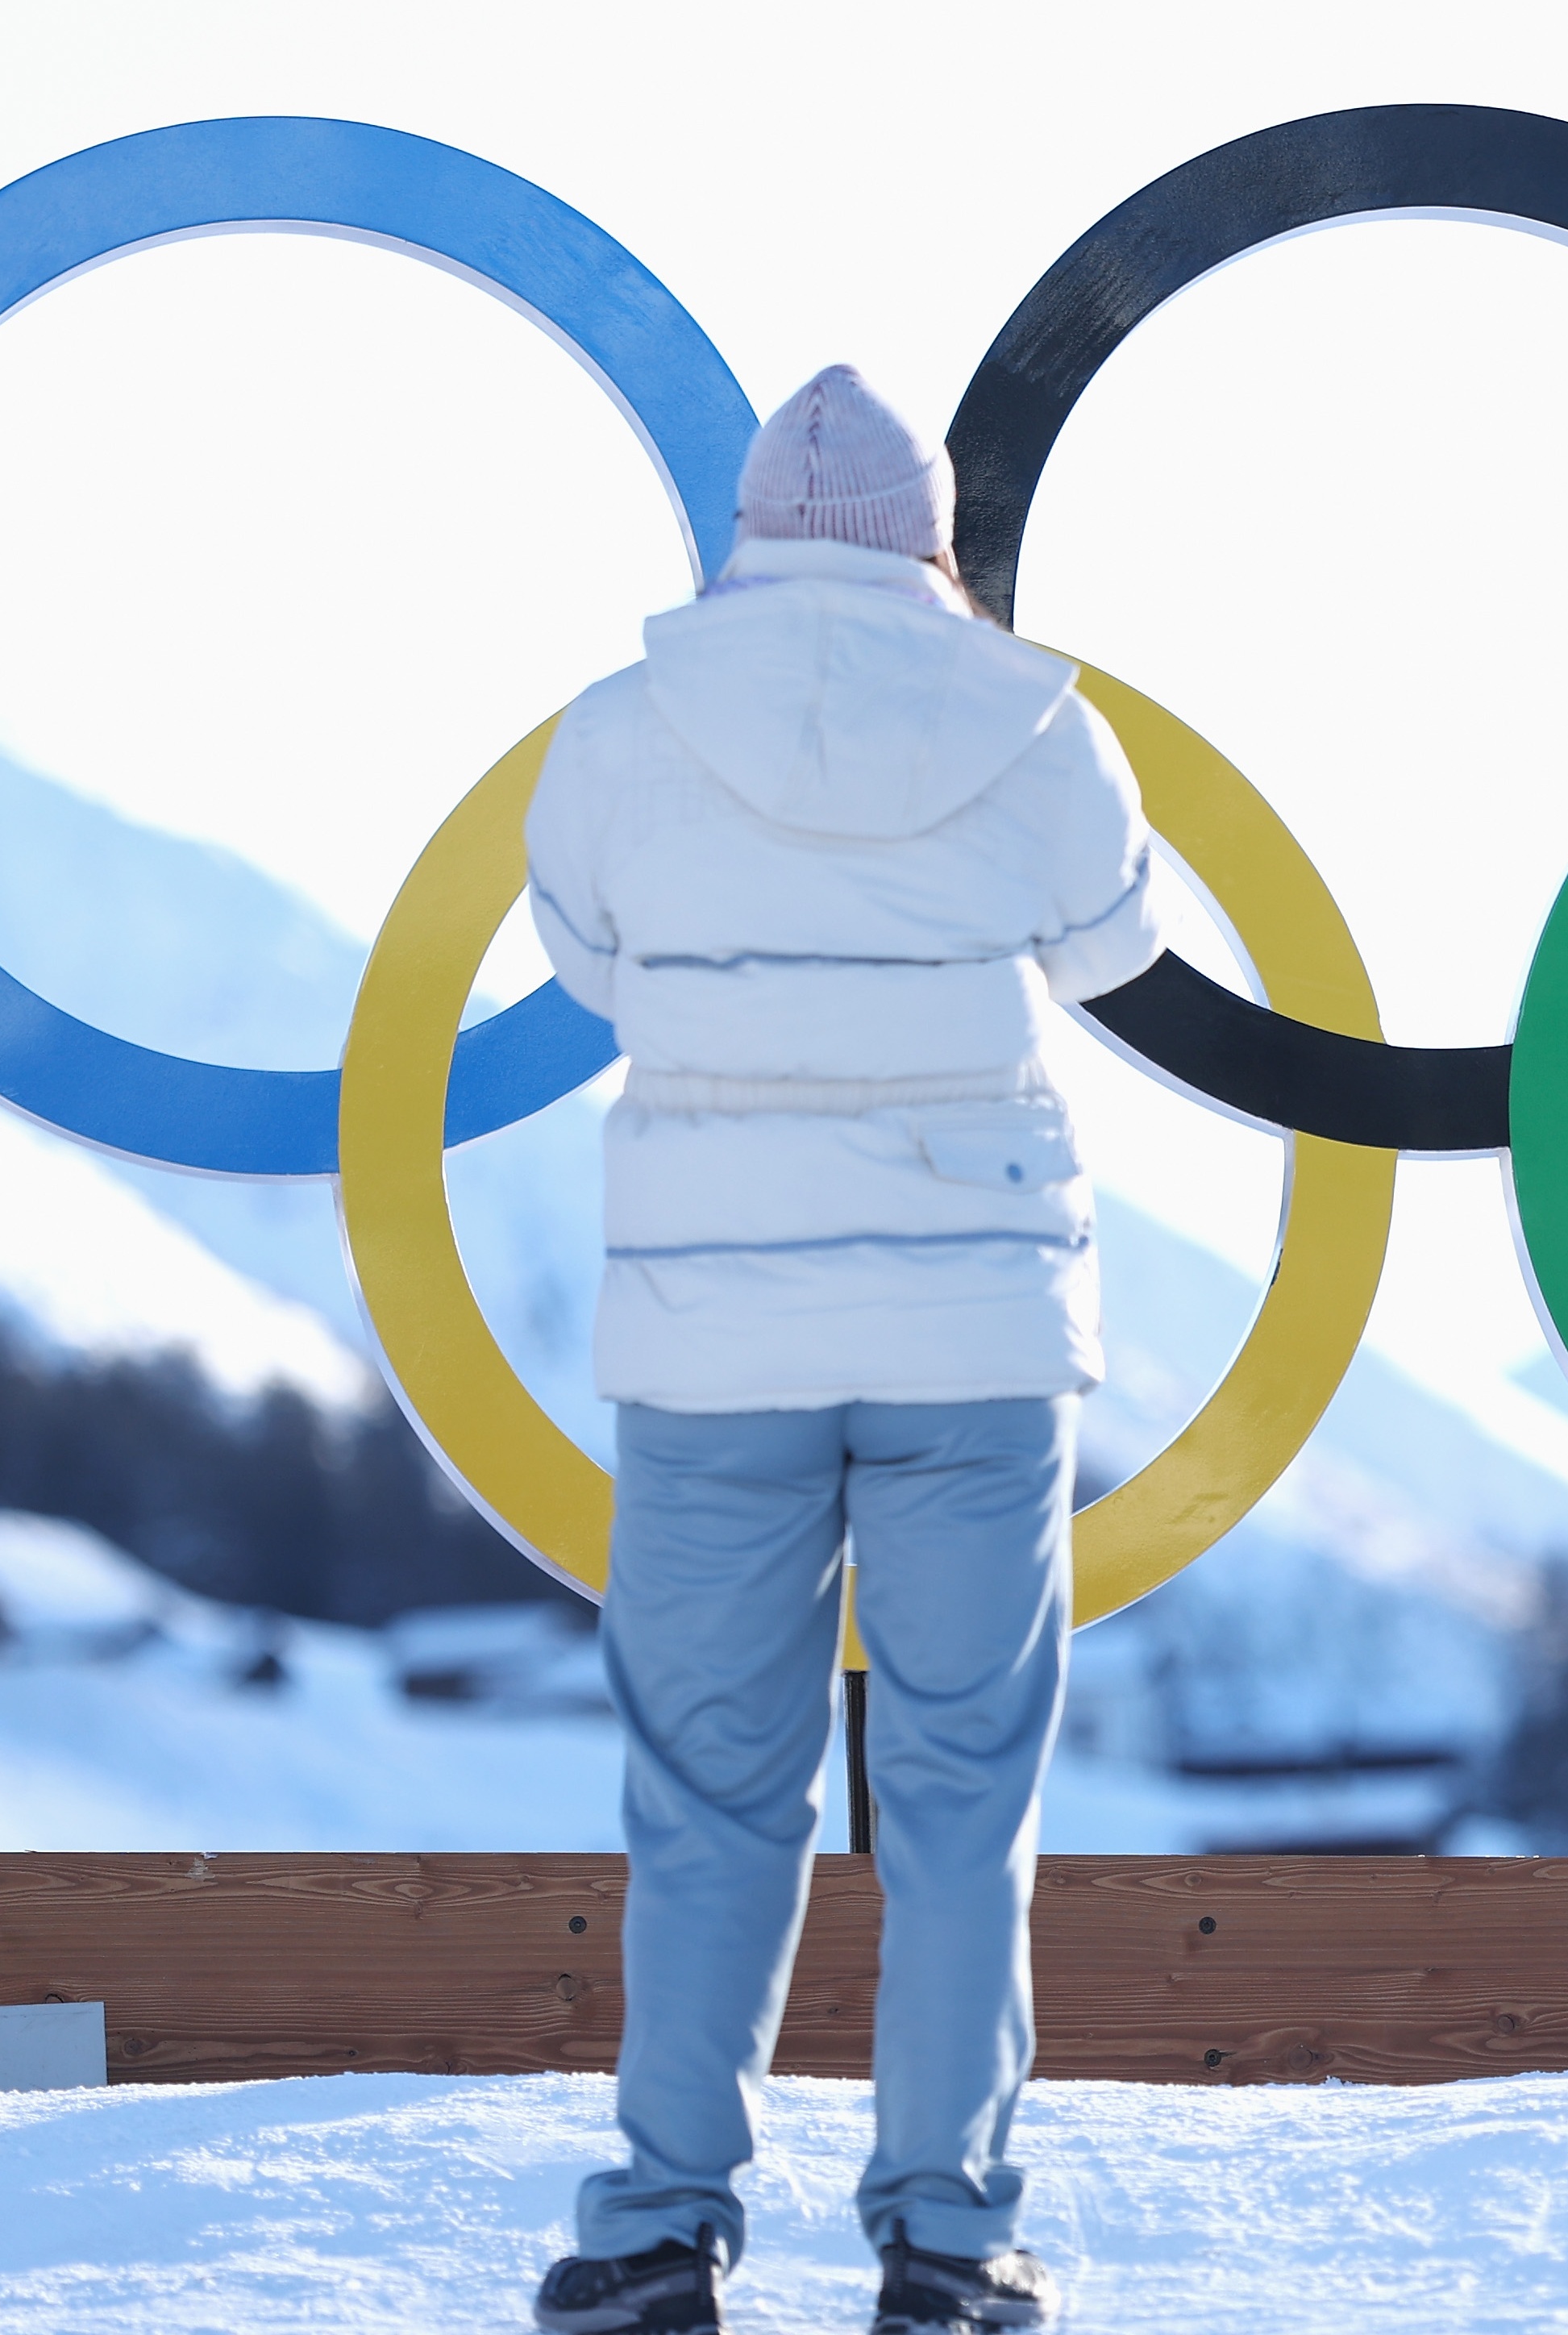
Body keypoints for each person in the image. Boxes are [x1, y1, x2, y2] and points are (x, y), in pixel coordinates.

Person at [522, 365, 1159, 2335]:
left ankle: (657, 2223)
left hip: (713, 1334)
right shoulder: (1038, 722)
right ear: (928, 540)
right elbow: (1119, 945)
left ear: (746, 526)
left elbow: (585, 956)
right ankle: (948, 2240)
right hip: (972, 1330)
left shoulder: (620, 728)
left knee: (712, 1795)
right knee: (964, 1795)